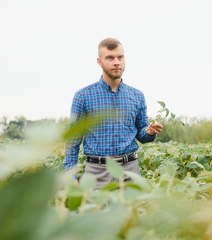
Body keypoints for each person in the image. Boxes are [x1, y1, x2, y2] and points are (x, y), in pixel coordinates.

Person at [64, 38, 163, 189]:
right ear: (99, 62)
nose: (116, 62)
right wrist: (71, 177)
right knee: (94, 212)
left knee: (133, 212)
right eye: (110, 58)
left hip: (130, 170)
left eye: (120, 57)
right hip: (97, 172)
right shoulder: (83, 96)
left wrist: (149, 132)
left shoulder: (137, 96)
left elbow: (142, 135)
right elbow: (73, 141)